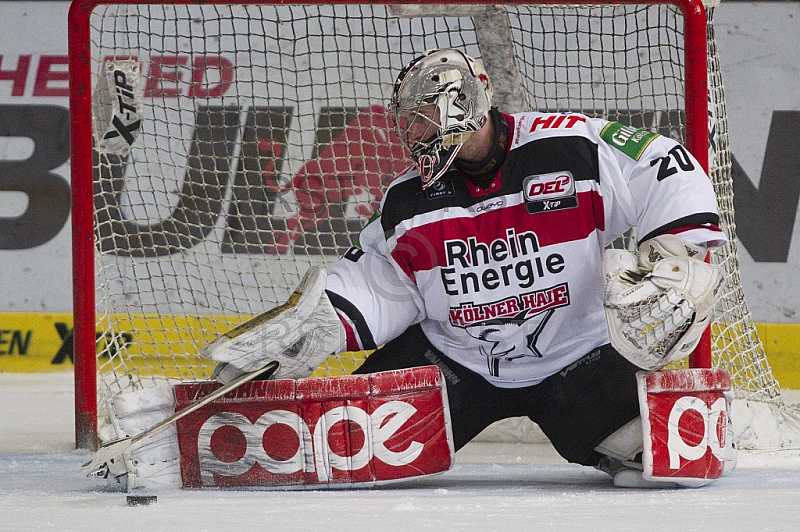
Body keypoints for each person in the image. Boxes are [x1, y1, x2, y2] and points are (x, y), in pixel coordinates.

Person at [208, 48, 728, 488]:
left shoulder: (571, 145)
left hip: (580, 359)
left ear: (456, 106)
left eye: (418, 118)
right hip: (454, 364)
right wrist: (316, 324)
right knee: (332, 444)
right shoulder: (409, 199)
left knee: (677, 462)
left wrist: (673, 256)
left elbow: (666, 164)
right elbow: (380, 281)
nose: (409, 133)